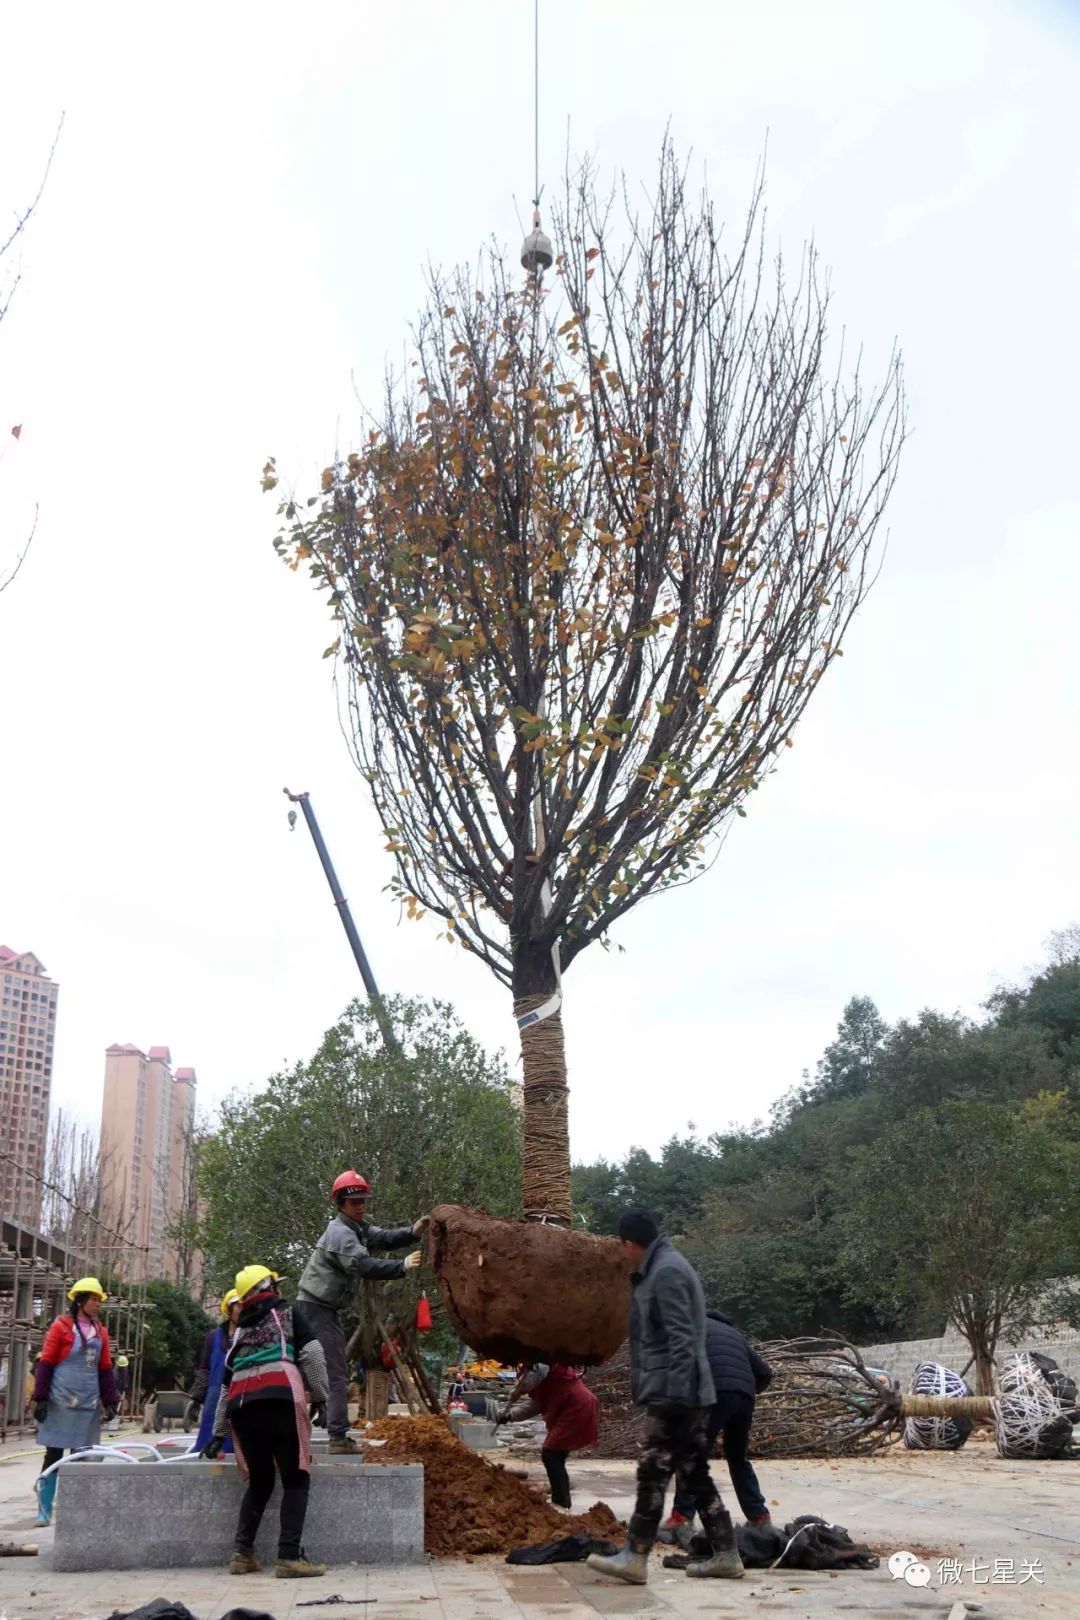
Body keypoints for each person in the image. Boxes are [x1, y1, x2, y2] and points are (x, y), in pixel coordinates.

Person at [586, 1211, 743, 1586]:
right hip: (684, 1390)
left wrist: (673, 1397)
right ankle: (727, 1555)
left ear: (629, 1244)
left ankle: (635, 1557)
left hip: (678, 1393)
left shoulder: (667, 1272)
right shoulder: (662, 1266)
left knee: (653, 1470)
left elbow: (682, 1338)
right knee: (692, 1472)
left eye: (621, 1248)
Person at [204, 1264, 329, 1579]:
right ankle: (288, 1556)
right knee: (296, 1477)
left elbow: (224, 1386)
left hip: (241, 1405)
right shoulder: (288, 1314)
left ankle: (242, 1553)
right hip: (280, 1396)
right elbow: (313, 1354)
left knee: (260, 1481)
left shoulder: (240, 1332)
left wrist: (218, 1432)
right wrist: (322, 1396)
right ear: (268, 1287)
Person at [295, 1170, 425, 1454]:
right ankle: (338, 1438)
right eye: (354, 1202)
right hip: (315, 1309)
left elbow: (383, 1237)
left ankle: (327, 1429)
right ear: (341, 1203)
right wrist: (400, 1267)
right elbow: (364, 1266)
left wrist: (412, 1233)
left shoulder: (357, 1228)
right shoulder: (341, 1234)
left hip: (319, 1309)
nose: (361, 1206)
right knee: (337, 1375)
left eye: (363, 1200)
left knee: (323, 1374)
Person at [661, 1309, 773, 1542]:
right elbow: (765, 1372)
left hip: (714, 1392)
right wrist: (745, 1392)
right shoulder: (735, 1335)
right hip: (744, 1397)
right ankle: (759, 1516)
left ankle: (681, 1516)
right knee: (738, 1458)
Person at [31, 1276, 119, 1526]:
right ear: (80, 1301)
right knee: (54, 1456)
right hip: (60, 1401)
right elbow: (46, 1363)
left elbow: (104, 1368)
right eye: (93, 1299)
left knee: (80, 1459)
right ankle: (44, 1509)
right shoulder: (61, 1327)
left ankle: (74, 1512)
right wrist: (41, 1399)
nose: (98, 1304)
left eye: (99, 1300)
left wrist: (110, 1400)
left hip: (87, 1403)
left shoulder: (100, 1331)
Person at [498, 1362, 599, 1509]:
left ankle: (560, 1502)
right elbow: (535, 1405)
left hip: (577, 1406)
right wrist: (510, 1416)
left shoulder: (543, 1363)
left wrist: (516, 1391)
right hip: (571, 1407)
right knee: (555, 1456)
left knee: (551, 1454)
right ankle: (562, 1501)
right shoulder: (541, 1380)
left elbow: (533, 1376)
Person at [190, 1288, 241, 1455]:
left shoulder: (253, 1335)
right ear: (229, 1308)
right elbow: (204, 1369)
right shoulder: (214, 1336)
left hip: (241, 1399)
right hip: (215, 1400)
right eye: (237, 1306)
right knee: (209, 1446)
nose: (241, 1310)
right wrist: (196, 1399)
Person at [107, 1354, 130, 1433]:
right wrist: (119, 1395)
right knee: (112, 1405)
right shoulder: (114, 1373)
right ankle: (110, 1419)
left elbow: (126, 1378)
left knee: (116, 1405)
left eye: (124, 1367)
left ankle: (113, 1418)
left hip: (120, 1387)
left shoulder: (125, 1369)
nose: (124, 1368)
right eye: (122, 1367)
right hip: (113, 1389)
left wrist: (125, 1387)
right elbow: (114, 1387)